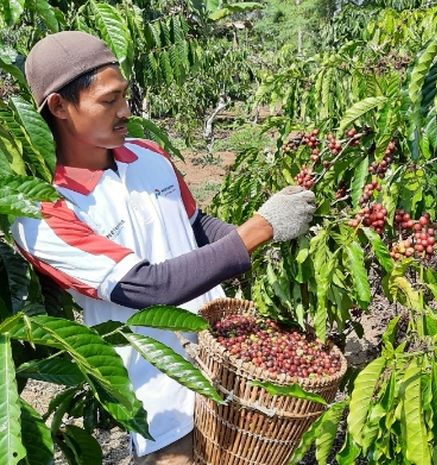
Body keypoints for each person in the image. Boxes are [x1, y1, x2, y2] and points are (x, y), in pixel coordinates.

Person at [12, 31, 316, 465]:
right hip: (160, 394)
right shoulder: (44, 210)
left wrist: (270, 233)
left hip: (226, 363)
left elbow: (195, 225)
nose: (125, 111)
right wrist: (258, 230)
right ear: (59, 106)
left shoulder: (148, 154)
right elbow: (147, 287)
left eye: (125, 96)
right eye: (108, 101)